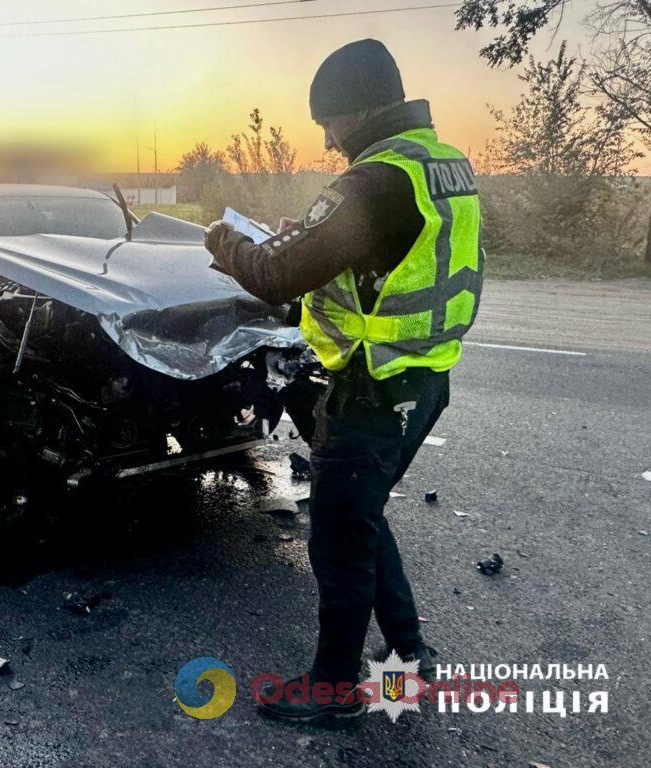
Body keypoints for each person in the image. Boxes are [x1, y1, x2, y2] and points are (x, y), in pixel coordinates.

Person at [204, 39, 484, 726]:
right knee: (360, 519)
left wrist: (226, 244)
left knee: (337, 536)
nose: (326, 137)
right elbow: (375, 252)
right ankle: (409, 663)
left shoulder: (374, 179)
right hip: (423, 378)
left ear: (358, 110)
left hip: (374, 389)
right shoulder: (440, 163)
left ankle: (333, 692)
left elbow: (276, 276)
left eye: (328, 120)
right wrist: (302, 241)